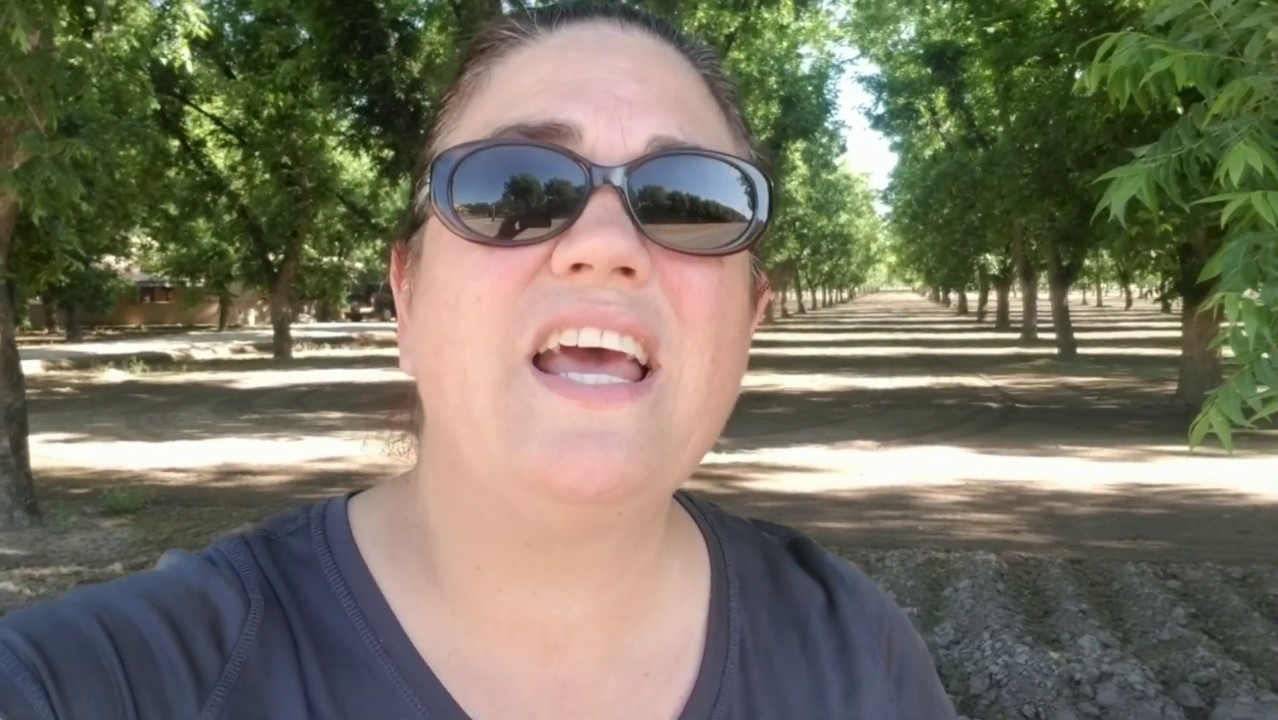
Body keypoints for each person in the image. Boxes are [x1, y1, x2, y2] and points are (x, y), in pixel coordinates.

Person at [0, 3, 957, 719]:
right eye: (513, 185)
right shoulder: (98, 684)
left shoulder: (861, 660)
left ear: (751, 318)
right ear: (407, 295)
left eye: (688, 200)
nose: (605, 241)